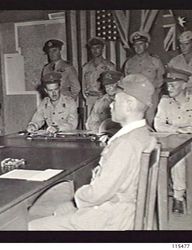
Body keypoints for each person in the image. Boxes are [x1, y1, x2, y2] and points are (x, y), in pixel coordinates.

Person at [29, 74, 156, 230]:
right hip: (123, 210)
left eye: (115, 101)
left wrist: (76, 199)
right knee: (58, 208)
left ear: (129, 104)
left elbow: (98, 193)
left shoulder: (125, 144)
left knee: (31, 226)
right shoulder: (145, 135)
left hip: (110, 218)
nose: (110, 105)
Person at [154, 67, 192, 214]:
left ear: (184, 85)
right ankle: (178, 197)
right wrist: (178, 130)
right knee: (178, 159)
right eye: (168, 84)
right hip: (178, 140)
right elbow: (158, 125)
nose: (169, 87)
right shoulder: (164, 102)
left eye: (173, 84)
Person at [124, 31, 165, 127]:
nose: (138, 47)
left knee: (150, 124)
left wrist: (155, 96)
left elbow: (160, 80)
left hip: (151, 98)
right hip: (134, 98)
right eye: (135, 45)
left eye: (140, 44)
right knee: (134, 124)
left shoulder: (155, 61)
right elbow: (126, 82)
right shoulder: (129, 63)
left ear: (146, 45)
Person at [82, 37, 115, 116]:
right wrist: (87, 97)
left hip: (104, 100)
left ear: (102, 48)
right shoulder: (86, 67)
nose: (95, 50)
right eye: (93, 48)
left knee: (103, 125)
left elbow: (113, 86)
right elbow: (83, 86)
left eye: (98, 48)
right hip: (90, 100)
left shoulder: (109, 66)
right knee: (89, 125)